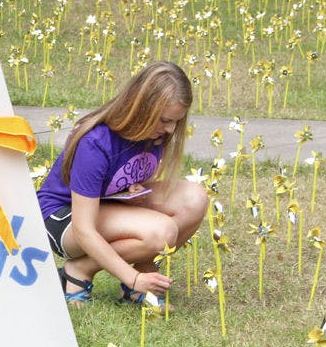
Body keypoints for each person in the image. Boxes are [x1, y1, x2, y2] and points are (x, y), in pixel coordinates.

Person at [36, 62, 208, 307]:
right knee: (161, 231)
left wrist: (131, 190)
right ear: (140, 109)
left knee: (195, 199)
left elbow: (121, 176)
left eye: (176, 122)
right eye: (164, 120)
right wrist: (132, 277)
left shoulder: (155, 134)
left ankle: (139, 279)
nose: (170, 129)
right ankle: (81, 271)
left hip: (103, 205)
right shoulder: (95, 142)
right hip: (63, 219)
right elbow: (84, 229)